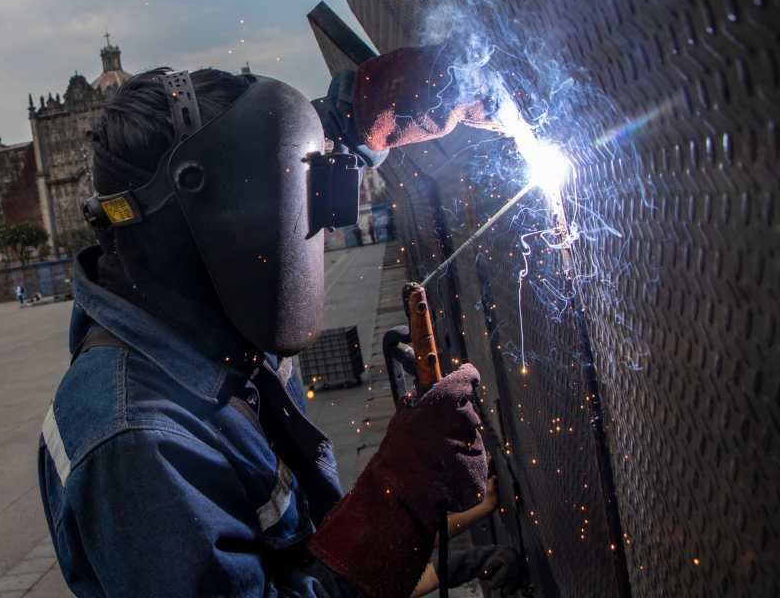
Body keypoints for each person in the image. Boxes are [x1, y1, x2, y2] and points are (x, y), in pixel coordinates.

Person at [38, 66, 521, 597]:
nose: (318, 224)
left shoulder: (202, 320)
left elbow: (300, 554)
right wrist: (400, 495)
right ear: (214, 223)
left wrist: (360, 118)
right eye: (285, 204)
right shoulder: (138, 447)